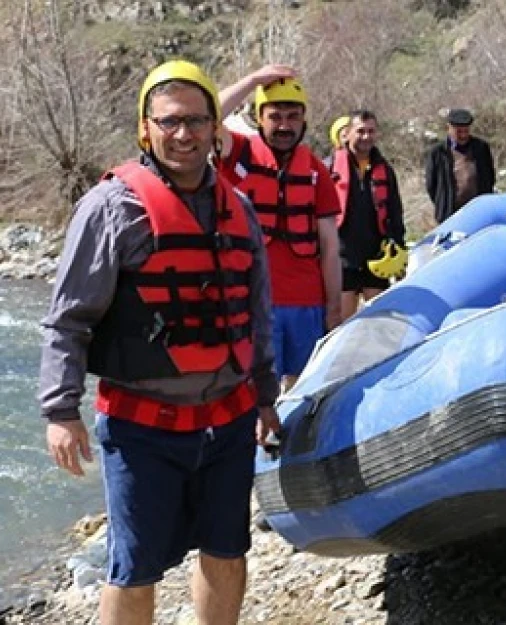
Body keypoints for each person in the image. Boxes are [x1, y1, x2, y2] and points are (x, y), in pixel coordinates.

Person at [39, 60, 281, 625]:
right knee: (135, 567)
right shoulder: (110, 208)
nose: (183, 134)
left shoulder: (238, 210)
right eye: (169, 122)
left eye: (196, 121)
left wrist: (266, 397)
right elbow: (68, 318)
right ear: (145, 129)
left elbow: (256, 317)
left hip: (226, 422)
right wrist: (60, 410)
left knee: (227, 550)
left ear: (215, 128)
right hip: (140, 428)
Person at [217, 68, 342, 390]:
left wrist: (334, 309)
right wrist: (253, 81)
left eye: (293, 116)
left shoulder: (316, 170)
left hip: (307, 303)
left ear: (303, 120)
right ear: (259, 118)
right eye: (275, 116)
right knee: (256, 391)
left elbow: (330, 246)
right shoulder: (239, 155)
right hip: (252, 302)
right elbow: (203, 116)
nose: (284, 125)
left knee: (303, 389)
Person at [332, 109, 406, 319]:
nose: (366, 137)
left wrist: (399, 247)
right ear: (347, 133)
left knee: (378, 322)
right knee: (340, 324)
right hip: (342, 257)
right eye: (361, 131)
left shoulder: (385, 169)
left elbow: (395, 210)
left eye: (371, 131)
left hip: (377, 256)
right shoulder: (330, 168)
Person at [425, 107, 495, 224]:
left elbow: (490, 177)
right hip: (450, 215)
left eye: (466, 131)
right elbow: (431, 185)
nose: (463, 135)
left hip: (479, 213)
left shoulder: (481, 148)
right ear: (449, 128)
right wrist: (443, 203)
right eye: (459, 132)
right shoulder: (437, 153)